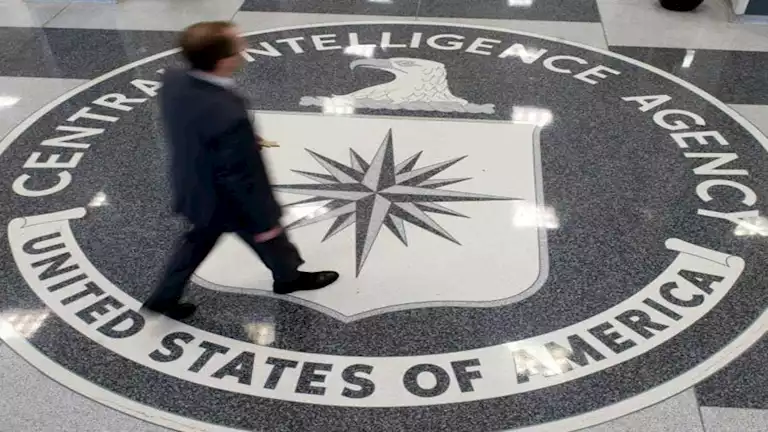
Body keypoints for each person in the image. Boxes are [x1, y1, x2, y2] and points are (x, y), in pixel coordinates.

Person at [144, 21, 339, 320]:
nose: (244, 49)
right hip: (227, 199)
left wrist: (238, 141)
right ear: (223, 61)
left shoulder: (174, 79)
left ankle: (163, 297)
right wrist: (264, 216)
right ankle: (288, 279)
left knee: (195, 244)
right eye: (238, 47)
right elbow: (240, 176)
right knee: (270, 236)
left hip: (193, 185)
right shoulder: (227, 114)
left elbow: (196, 124)